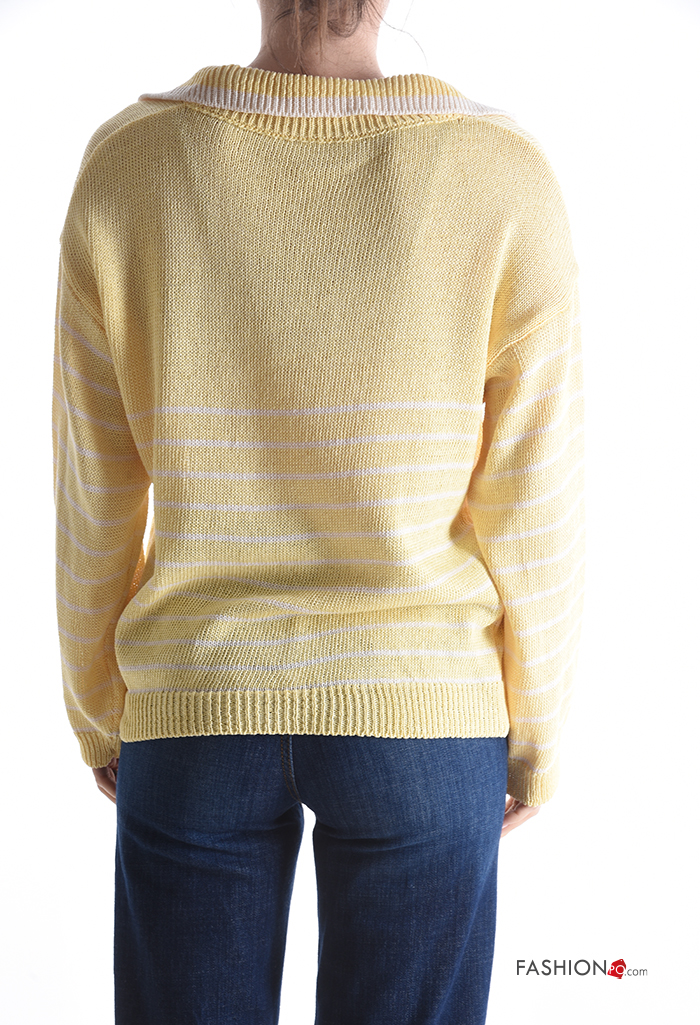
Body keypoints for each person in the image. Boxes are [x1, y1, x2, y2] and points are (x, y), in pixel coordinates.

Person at [53, 0, 584, 1021]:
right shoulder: (500, 175)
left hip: (196, 700)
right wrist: (539, 733)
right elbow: (536, 491)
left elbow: (94, 481)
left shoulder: (129, 165)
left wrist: (99, 709)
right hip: (423, 713)